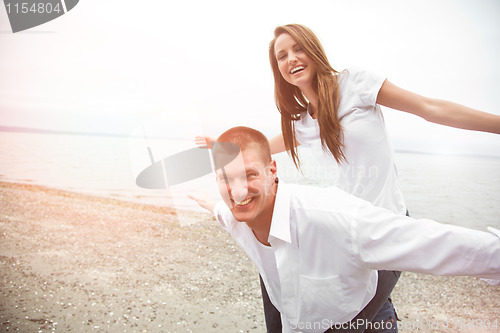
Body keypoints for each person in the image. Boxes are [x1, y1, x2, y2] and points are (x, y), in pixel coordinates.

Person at [195, 23, 500, 332]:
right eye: (282, 56)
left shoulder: (356, 83)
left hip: (386, 221)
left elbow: (430, 109)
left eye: (298, 49)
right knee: (284, 284)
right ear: (278, 69)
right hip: (340, 225)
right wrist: (225, 147)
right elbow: (262, 149)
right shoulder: (301, 121)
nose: (292, 59)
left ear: (313, 50)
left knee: (346, 318)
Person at [190, 126, 500, 333]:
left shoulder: (335, 218)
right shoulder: (233, 215)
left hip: (364, 321)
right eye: (226, 178)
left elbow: (431, 242)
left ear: (273, 170)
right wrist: (200, 199)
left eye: (249, 175)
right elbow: (217, 208)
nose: (238, 189)